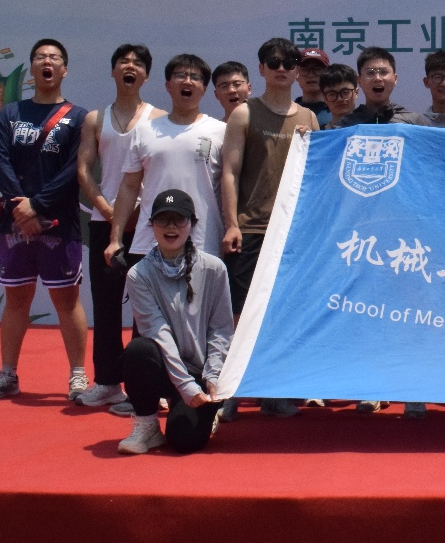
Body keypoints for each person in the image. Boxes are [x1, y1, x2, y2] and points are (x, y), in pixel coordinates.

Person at [0, 39, 90, 402]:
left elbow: (75, 170)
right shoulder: (9, 114)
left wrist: (38, 206)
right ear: (32, 67)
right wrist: (21, 208)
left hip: (59, 226)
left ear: (64, 69)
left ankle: (78, 376)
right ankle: (7, 373)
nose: (48, 62)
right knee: (16, 299)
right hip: (15, 225)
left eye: (55, 57)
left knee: (67, 301)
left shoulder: (78, 118)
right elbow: (0, 162)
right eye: (41, 57)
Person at [219, 38, 318, 419]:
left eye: (289, 62)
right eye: (273, 62)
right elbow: (229, 173)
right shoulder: (244, 113)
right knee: (242, 314)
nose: (281, 68)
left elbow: (314, 178)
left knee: (282, 314)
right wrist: (232, 224)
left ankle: (274, 391)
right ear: (260, 68)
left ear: (297, 70)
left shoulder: (308, 118)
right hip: (251, 229)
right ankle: (230, 393)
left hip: (293, 234)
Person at [75, 43, 165, 413]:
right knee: (106, 306)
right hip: (104, 223)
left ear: (146, 75)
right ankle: (108, 382)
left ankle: (147, 384)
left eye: (138, 64)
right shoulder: (95, 119)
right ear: (113, 71)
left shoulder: (158, 118)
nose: (130, 67)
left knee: (148, 309)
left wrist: (137, 212)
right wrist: (106, 209)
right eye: (123, 62)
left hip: (145, 227)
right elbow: (84, 169)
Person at [117, 189, 233, 455]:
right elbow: (158, 332)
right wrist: (184, 385)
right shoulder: (138, 274)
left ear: (192, 223)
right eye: (163, 219)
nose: (171, 227)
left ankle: (208, 411)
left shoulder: (215, 269)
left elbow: (221, 330)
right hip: (167, 369)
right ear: (152, 225)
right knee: (138, 350)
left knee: (184, 441)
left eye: (179, 219)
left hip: (202, 371)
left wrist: (212, 376)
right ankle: (147, 425)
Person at [104, 54, 226, 267]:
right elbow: (129, 187)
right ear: (168, 85)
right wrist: (115, 239)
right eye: (181, 75)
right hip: (149, 244)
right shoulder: (144, 131)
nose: (188, 81)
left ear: (204, 88)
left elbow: (230, 186)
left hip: (204, 243)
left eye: (195, 77)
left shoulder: (221, 131)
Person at [340, 47, 432, 126]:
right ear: (359, 80)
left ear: (395, 78)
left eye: (383, 72)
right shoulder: (346, 123)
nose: (377, 78)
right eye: (370, 73)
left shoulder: (413, 121)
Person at [295, 47, 331, 127]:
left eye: (317, 69)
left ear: (328, 74)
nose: (311, 74)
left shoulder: (338, 111)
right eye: (305, 69)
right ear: (296, 74)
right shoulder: (288, 112)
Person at [319, 64, 359, 128]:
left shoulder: (370, 129)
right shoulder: (318, 133)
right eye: (332, 94)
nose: (339, 99)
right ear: (324, 97)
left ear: (356, 93)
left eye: (345, 92)